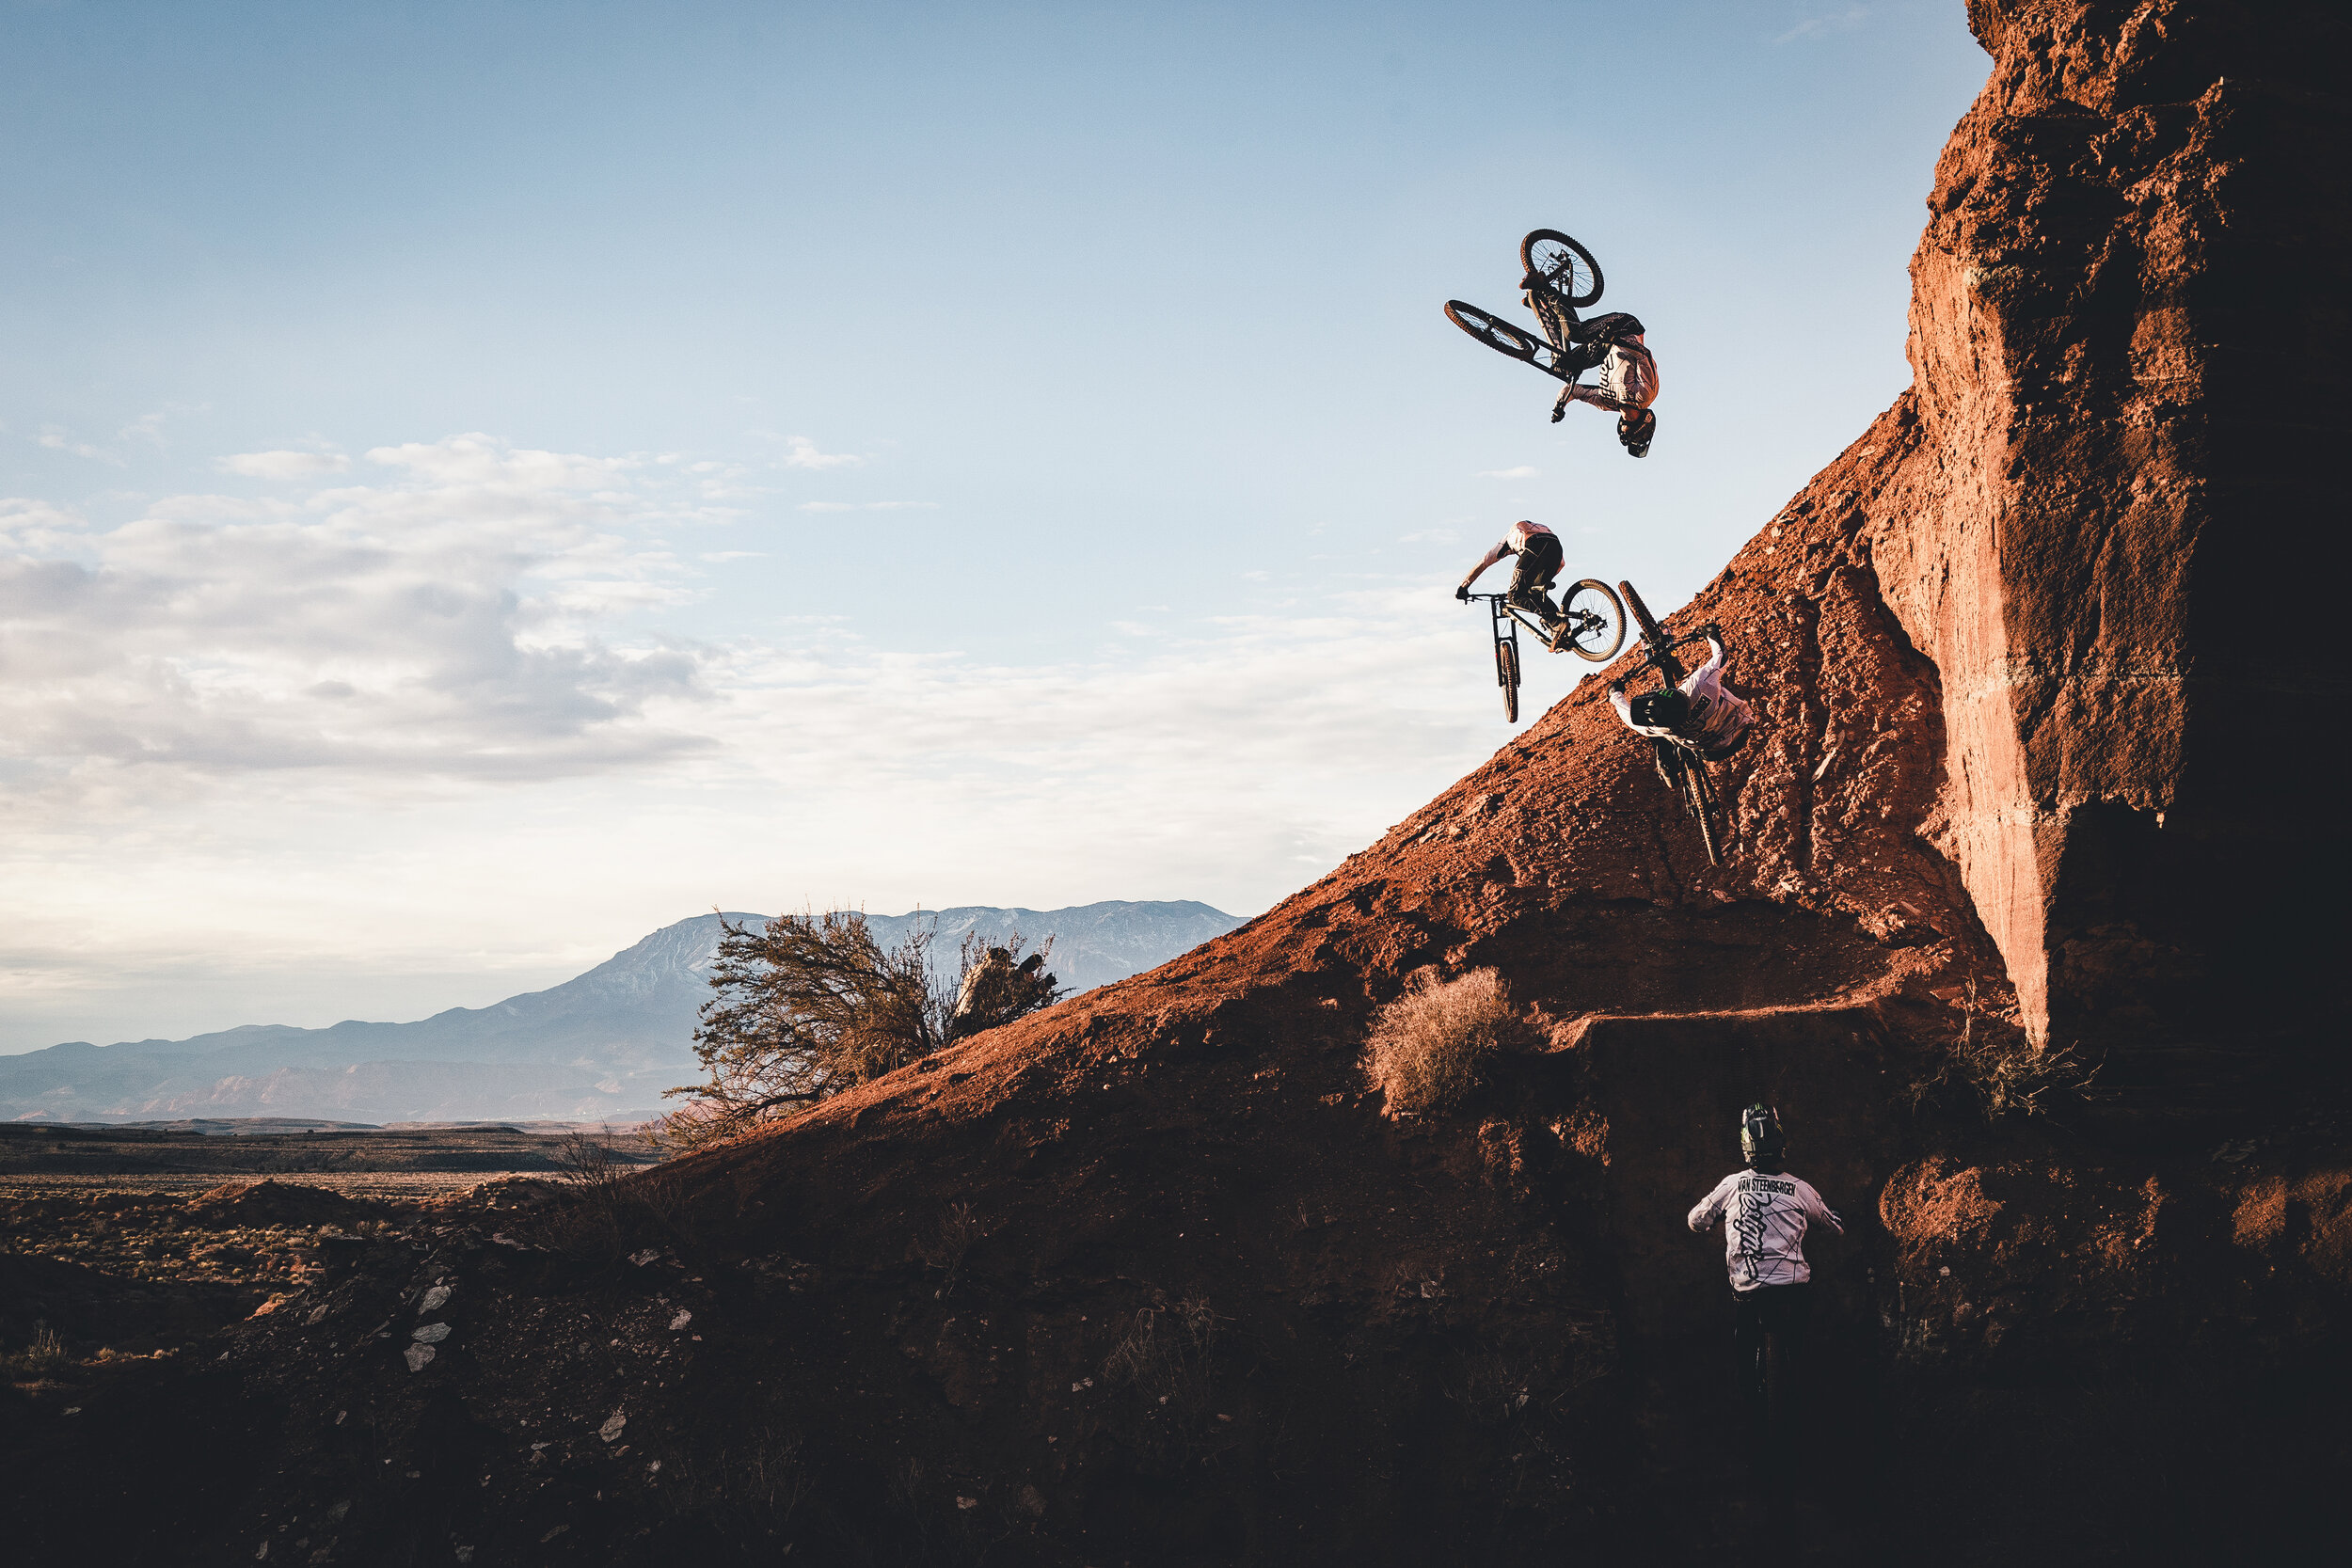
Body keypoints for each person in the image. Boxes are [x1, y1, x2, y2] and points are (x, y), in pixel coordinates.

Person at [1686, 1105, 1843, 1421]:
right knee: (1801, 1351)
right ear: (1782, 1144)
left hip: (1748, 1291)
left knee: (1744, 1354)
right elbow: (1834, 1226)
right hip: (1792, 1290)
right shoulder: (1800, 1188)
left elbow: (1695, 1219)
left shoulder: (1732, 1185)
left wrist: (1713, 1222)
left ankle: (1750, 1413)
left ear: (1746, 1148)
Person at [1524, 278, 1660, 456]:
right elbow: (1644, 354)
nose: (1625, 428)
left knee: (1562, 366)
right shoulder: (1645, 394)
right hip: (1624, 329)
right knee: (1575, 334)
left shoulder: (1607, 402)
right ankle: (1544, 287)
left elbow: (1574, 391)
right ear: (1641, 424)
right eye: (1630, 429)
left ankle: (1546, 308)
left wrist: (1560, 405)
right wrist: (1614, 338)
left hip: (1605, 348)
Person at [1609, 622, 1755, 784]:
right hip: (1741, 728)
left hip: (1710, 752)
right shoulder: (1700, 685)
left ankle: (1668, 768)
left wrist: (1615, 694)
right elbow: (1721, 657)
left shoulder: (1659, 726)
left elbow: (1629, 717)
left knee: (1659, 736)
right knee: (1720, 686)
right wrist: (1711, 635)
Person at [1454, 519, 1577, 650]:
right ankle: (1562, 633)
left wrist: (1464, 586)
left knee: (1514, 596)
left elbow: (1484, 562)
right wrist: (1543, 583)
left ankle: (1557, 624)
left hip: (1534, 543)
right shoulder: (1538, 528)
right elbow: (1561, 564)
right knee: (1535, 593)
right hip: (1556, 546)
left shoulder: (1506, 540)